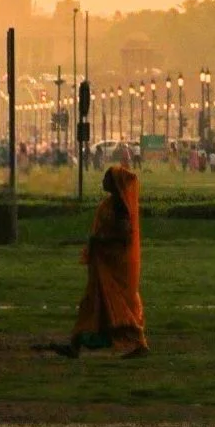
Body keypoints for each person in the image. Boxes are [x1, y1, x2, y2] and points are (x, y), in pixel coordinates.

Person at [53, 144, 149, 359]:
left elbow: (124, 237)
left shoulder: (120, 210)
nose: (103, 181)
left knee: (117, 306)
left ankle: (137, 342)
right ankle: (76, 344)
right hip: (103, 265)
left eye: (107, 179)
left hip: (114, 267)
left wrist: (101, 240)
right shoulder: (109, 205)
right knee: (92, 303)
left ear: (114, 184)